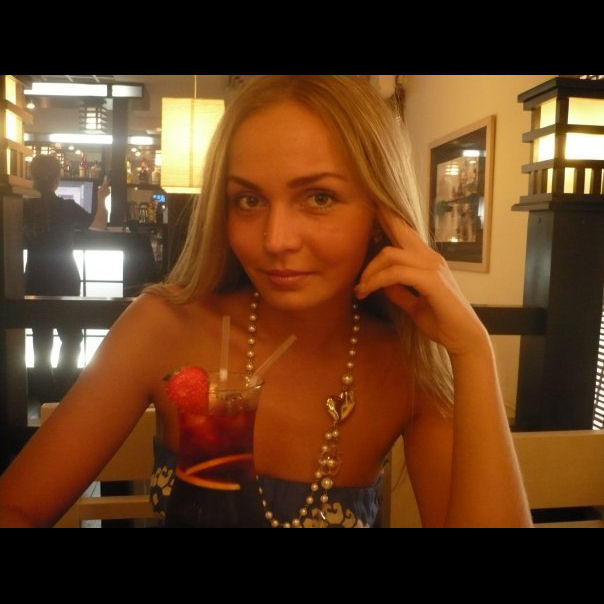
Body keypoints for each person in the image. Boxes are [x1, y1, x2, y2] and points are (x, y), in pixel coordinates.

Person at [0, 76, 532, 528]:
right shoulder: (163, 326)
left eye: (319, 197)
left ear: (380, 211)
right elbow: (17, 508)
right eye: (249, 200)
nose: (275, 240)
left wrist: (473, 351)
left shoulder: (408, 363)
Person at [23, 155, 109, 399]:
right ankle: (63, 388)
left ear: (31, 177)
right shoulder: (67, 207)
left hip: (35, 276)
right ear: (57, 179)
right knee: (71, 337)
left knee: (41, 339)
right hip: (64, 277)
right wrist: (102, 198)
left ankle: (43, 393)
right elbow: (99, 225)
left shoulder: (23, 208)